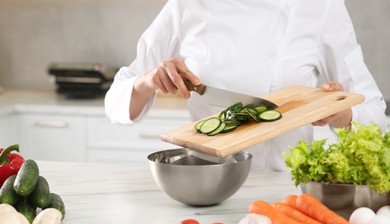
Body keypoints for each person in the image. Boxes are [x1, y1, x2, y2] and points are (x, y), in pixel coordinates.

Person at [104, 0, 387, 171]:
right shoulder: (187, 4)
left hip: (287, 190)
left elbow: (375, 111)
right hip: (206, 183)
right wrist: (147, 81)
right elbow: (115, 101)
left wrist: (343, 115)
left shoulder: (320, 6)